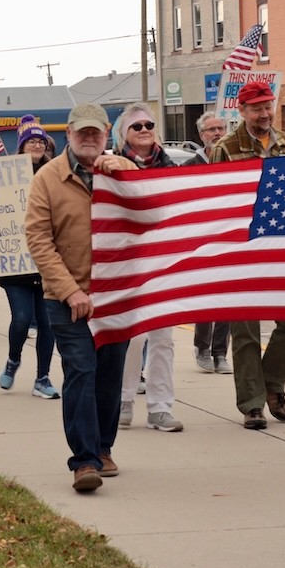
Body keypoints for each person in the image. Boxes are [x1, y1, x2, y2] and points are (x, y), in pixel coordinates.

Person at [26, 102, 136, 493]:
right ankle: (84, 461)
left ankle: (103, 447)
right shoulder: (48, 178)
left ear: (106, 134)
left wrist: (123, 174)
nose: (89, 138)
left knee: (109, 375)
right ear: (68, 134)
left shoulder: (124, 171)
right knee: (80, 371)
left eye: (95, 132)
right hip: (65, 297)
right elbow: (39, 238)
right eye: (81, 132)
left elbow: (153, 216)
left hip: (116, 296)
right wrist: (70, 290)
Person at [209, 79, 285, 430]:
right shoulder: (225, 148)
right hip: (242, 248)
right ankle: (252, 403)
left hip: (281, 246)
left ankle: (273, 385)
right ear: (242, 110)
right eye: (257, 108)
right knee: (245, 328)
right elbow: (215, 199)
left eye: (268, 106)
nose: (265, 114)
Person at [111, 102, 185, 433]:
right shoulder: (111, 167)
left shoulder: (172, 168)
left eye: (149, 125)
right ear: (123, 134)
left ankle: (160, 407)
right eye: (136, 126)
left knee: (163, 338)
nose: (144, 130)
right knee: (133, 336)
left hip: (164, 261)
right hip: (128, 262)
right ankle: (123, 400)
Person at [0, 117, 60, 399]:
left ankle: (42, 378)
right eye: (31, 141)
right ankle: (13, 360)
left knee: (48, 323)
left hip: (47, 262)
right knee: (21, 318)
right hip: (15, 261)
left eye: (41, 141)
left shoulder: (55, 174)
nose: (36, 145)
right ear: (21, 146)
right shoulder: (4, 174)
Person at [191, 111, 232, 374]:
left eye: (220, 128)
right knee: (205, 296)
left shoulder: (234, 161)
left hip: (228, 237)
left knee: (226, 296)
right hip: (201, 239)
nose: (217, 133)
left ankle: (221, 353)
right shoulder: (191, 165)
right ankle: (202, 348)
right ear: (201, 135)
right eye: (211, 130)